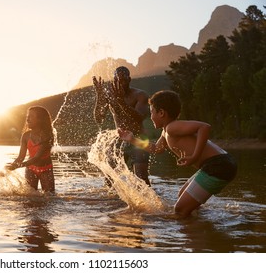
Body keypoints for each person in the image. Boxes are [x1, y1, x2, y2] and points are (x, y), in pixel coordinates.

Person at [118, 90, 237, 218]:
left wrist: (195, 156)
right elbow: (156, 148)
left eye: (152, 112)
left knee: (180, 210)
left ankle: (194, 232)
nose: (150, 116)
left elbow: (204, 127)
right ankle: (199, 225)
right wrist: (131, 139)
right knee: (182, 198)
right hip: (218, 164)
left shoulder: (172, 127)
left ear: (161, 113)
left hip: (218, 165)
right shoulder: (166, 132)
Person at [93, 66, 151, 186]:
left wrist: (121, 102)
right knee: (109, 180)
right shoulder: (110, 96)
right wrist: (99, 96)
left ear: (129, 79)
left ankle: (151, 204)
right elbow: (99, 118)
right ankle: (112, 204)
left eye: (123, 80)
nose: (119, 83)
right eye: (117, 81)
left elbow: (139, 117)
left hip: (139, 139)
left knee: (142, 180)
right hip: (119, 140)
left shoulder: (140, 95)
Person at [6, 106, 55, 193]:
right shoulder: (26, 136)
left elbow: (37, 158)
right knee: (29, 197)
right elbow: (20, 157)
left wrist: (18, 166)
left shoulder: (48, 136)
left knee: (50, 197)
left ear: (40, 119)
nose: (27, 119)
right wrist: (11, 166)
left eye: (31, 116)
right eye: (27, 117)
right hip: (30, 169)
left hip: (46, 170)